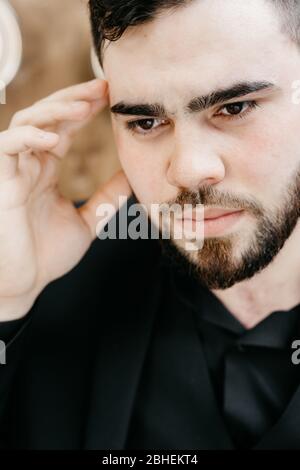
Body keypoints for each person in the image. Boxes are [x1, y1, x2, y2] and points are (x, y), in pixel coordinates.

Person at [1, 0, 300, 450]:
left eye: (235, 107)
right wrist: (7, 302)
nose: (188, 170)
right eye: (146, 121)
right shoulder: (50, 276)